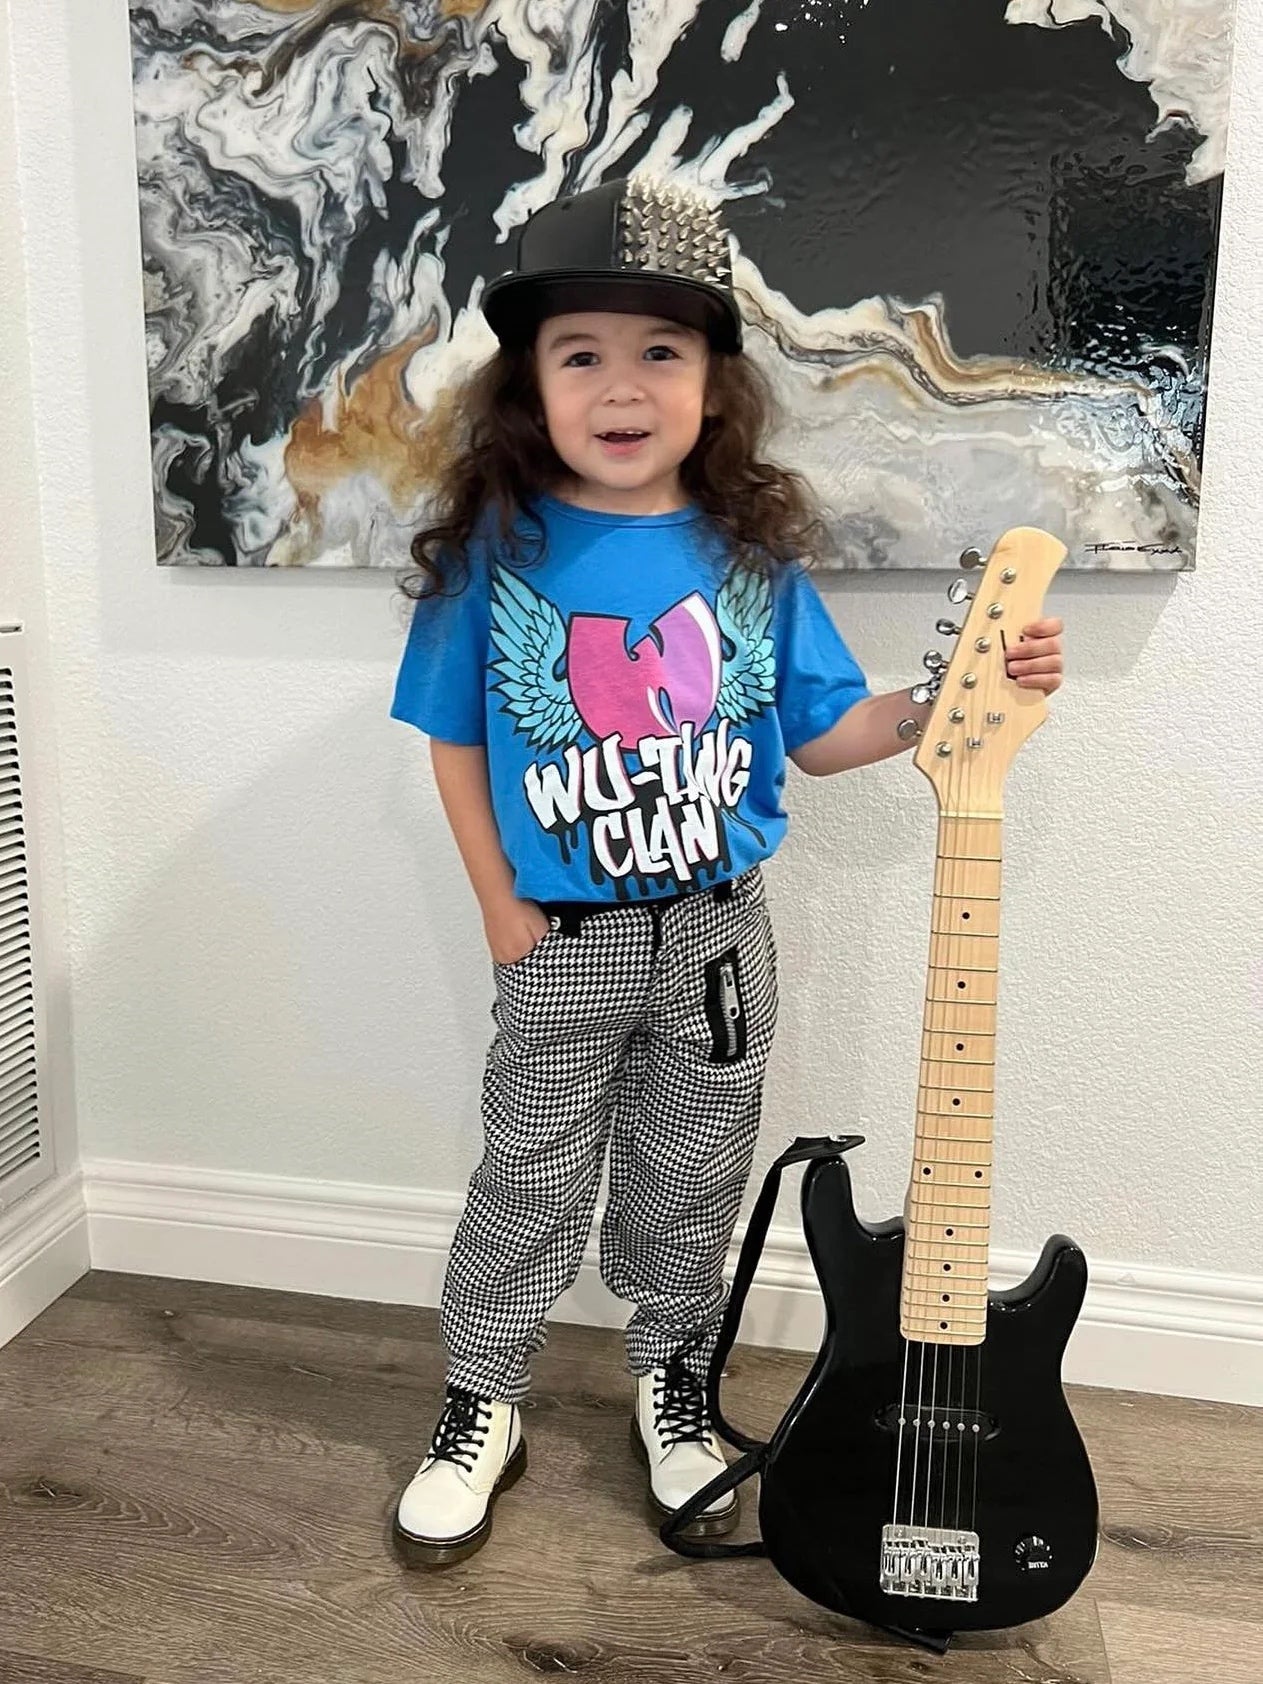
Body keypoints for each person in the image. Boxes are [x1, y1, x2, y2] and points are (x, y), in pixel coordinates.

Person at [387, 176, 1064, 1567]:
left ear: (712, 383)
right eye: (582, 354)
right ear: (533, 385)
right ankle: (483, 1400)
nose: (621, 387)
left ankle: (674, 1385)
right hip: (561, 936)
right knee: (527, 1175)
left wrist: (952, 704)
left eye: (661, 353)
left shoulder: (752, 562)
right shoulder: (500, 556)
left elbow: (825, 738)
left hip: (713, 942)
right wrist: (503, 912)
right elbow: (454, 744)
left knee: (691, 1179)